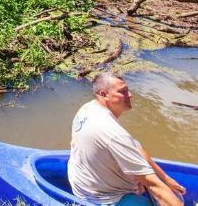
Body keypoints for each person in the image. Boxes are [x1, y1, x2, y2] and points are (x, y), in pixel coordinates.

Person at [68, 72, 184, 206]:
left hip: (82, 183)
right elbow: (155, 187)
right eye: (123, 92)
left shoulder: (87, 108)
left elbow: (135, 147)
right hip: (102, 199)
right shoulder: (114, 134)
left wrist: (165, 179)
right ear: (104, 94)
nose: (130, 95)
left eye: (127, 89)